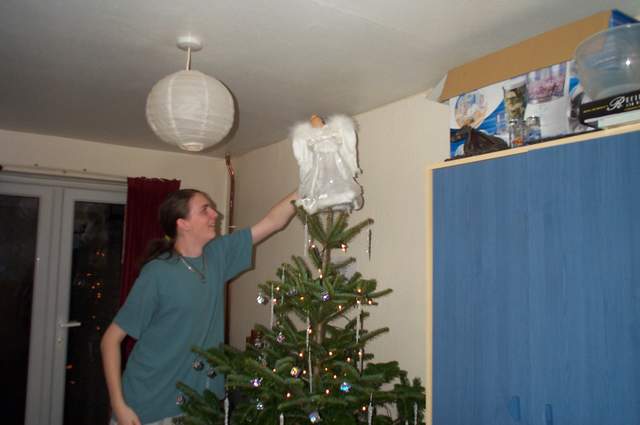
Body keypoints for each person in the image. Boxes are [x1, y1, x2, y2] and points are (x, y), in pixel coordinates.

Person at [101, 189, 297, 425]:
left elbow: (273, 222)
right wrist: (118, 404)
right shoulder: (157, 273)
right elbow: (110, 340)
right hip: (149, 407)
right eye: (205, 210)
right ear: (183, 223)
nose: (215, 214)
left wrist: (306, 186)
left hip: (201, 406)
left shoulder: (217, 255)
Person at [291, 114, 363, 214]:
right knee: (318, 177)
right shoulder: (308, 137)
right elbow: (305, 159)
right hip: (319, 161)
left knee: (338, 175)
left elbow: (347, 148)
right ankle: (321, 198)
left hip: (335, 159)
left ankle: (340, 194)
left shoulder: (335, 130)